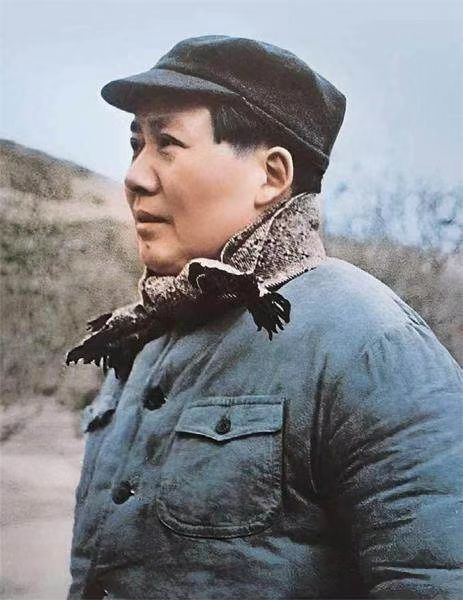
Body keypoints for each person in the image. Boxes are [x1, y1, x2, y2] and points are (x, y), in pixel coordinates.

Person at [66, 35, 463, 599]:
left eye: (167, 144)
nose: (135, 176)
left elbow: (438, 580)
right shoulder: (144, 338)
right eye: (136, 145)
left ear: (272, 176)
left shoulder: (369, 342)